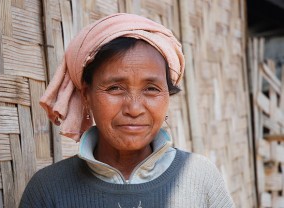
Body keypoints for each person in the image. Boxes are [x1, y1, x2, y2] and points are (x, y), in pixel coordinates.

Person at [19, 13, 235, 208]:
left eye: (151, 89)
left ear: (167, 96)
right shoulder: (47, 190)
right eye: (115, 88)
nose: (133, 108)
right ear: (86, 94)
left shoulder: (199, 177)